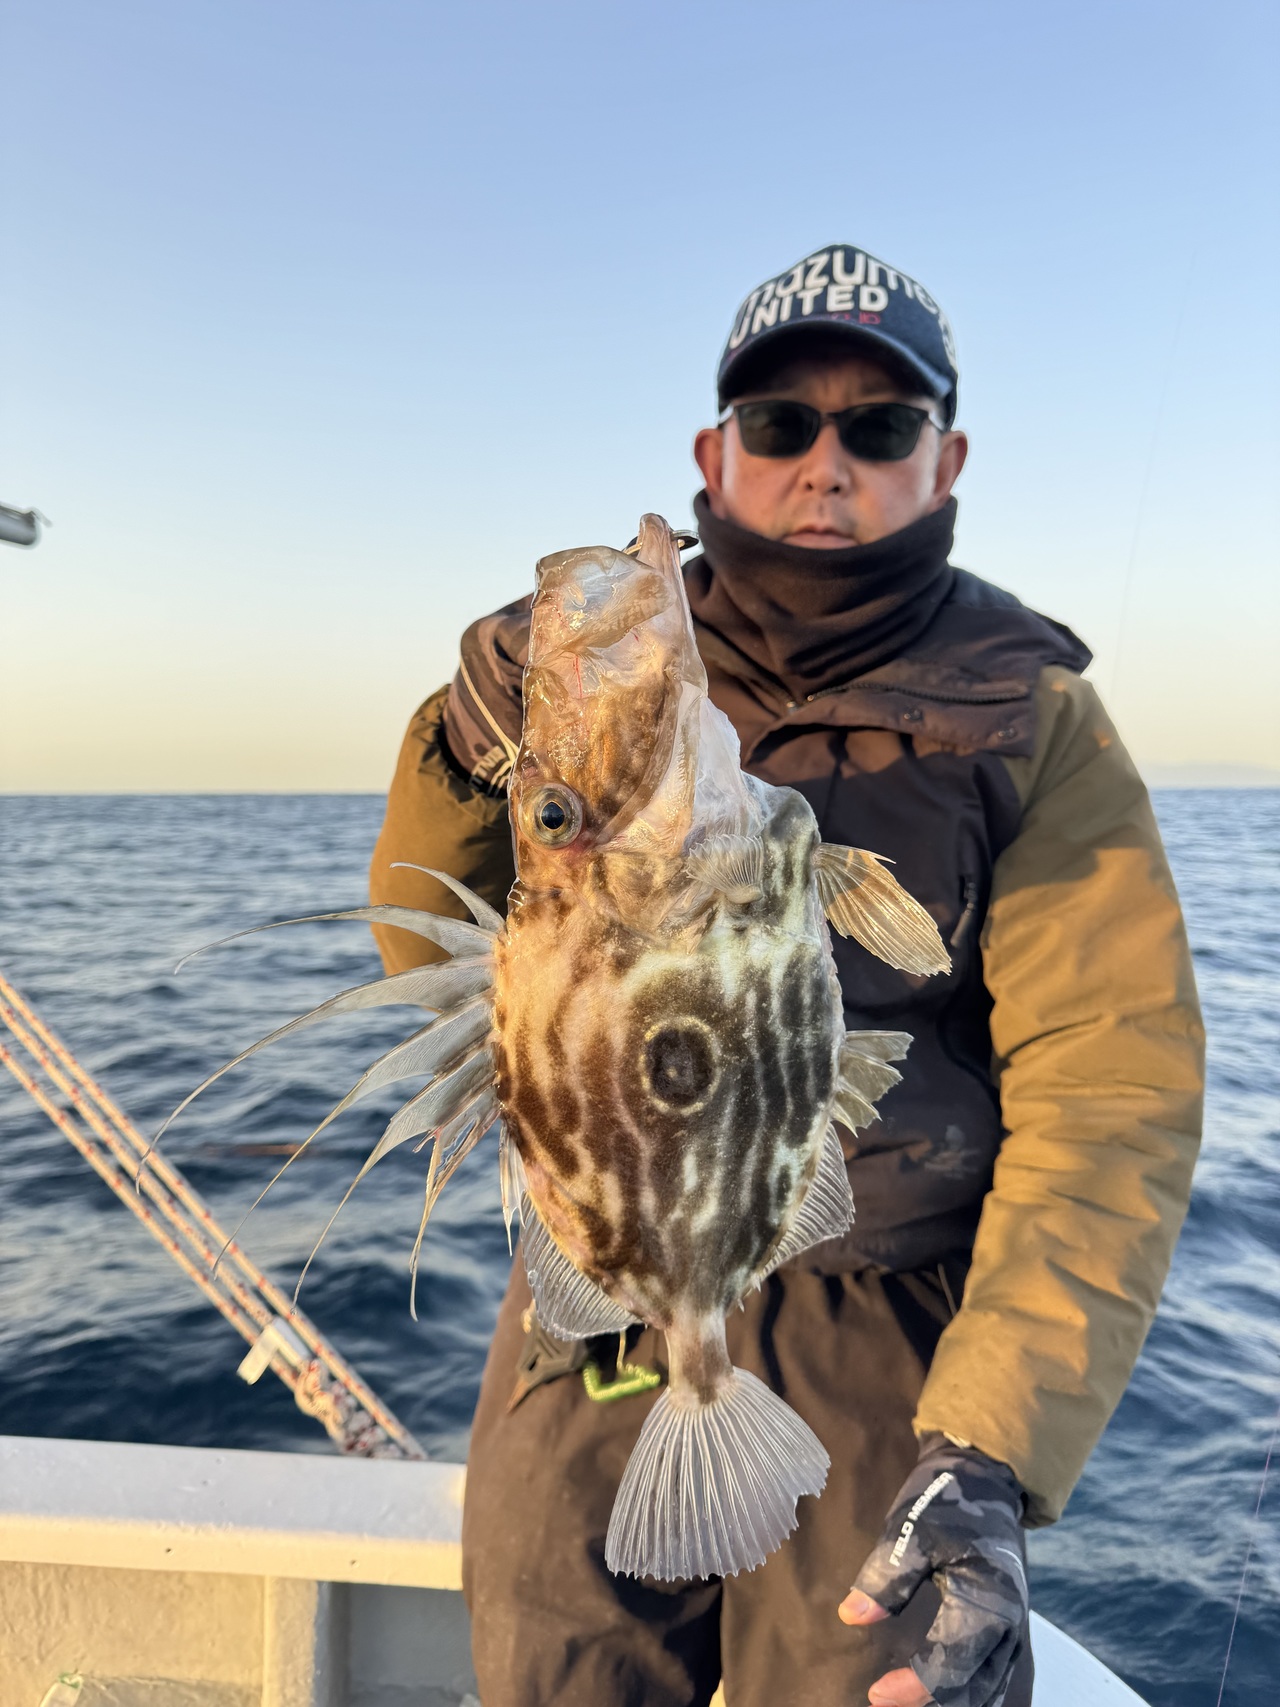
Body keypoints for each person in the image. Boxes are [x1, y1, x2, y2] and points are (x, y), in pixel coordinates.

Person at [368, 244, 1204, 1707]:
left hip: (893, 1346)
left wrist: (992, 1440)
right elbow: (433, 959)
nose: (827, 461)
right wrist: (461, 752)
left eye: (879, 425)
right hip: (607, 1300)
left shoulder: (1032, 715)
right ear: (716, 453)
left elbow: (1109, 1092)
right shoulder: (616, 690)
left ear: (946, 459)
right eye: (780, 422)